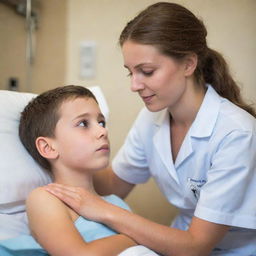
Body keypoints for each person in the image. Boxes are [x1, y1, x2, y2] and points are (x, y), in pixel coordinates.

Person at [44, 2, 256, 256]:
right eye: (130, 73)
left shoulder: (237, 133)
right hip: (178, 242)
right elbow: (113, 184)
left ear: (188, 64)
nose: (135, 85)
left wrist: (103, 210)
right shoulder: (151, 120)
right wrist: (66, 152)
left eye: (146, 71)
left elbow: (197, 245)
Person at [0, 85, 139, 256]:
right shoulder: (46, 199)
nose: (102, 131)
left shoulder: (116, 203)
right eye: (83, 123)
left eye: (101, 122)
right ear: (48, 147)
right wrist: (137, 236)